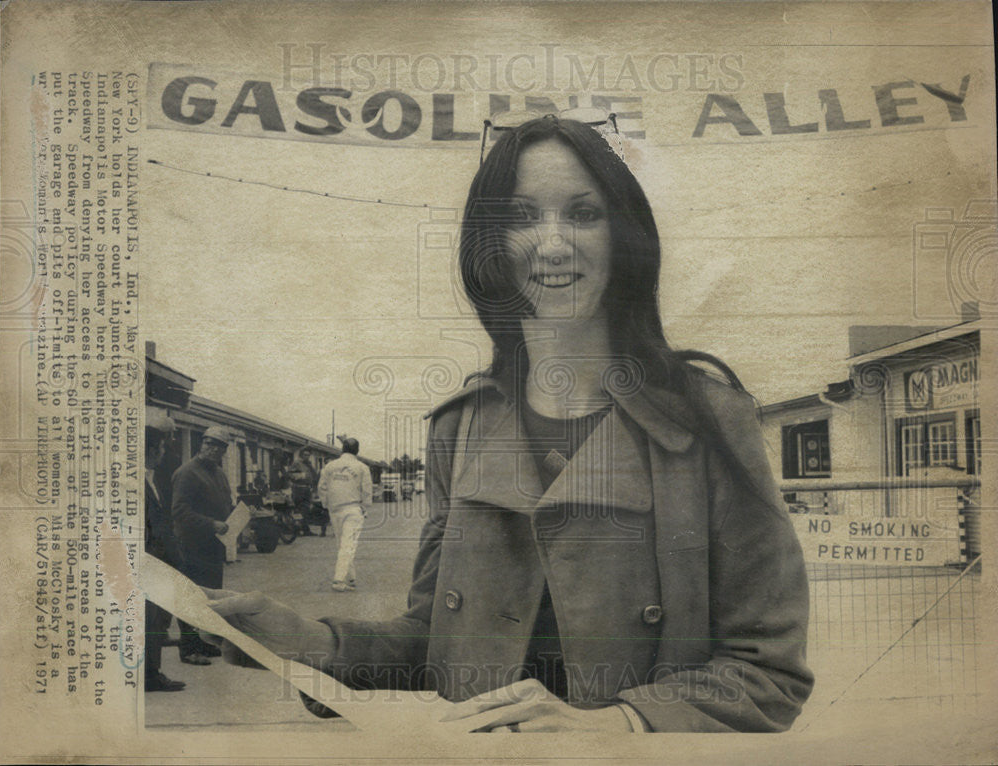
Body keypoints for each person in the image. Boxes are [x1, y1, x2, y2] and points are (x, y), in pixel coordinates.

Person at [205, 114, 813, 732]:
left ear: (623, 235)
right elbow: (438, 640)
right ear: (489, 247)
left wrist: (618, 726)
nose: (552, 245)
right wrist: (314, 643)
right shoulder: (459, 429)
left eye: (583, 213)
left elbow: (767, 672)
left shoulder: (710, 421)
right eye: (522, 218)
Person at [172, 426, 232, 665]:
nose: (211, 448)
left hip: (213, 547)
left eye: (217, 445)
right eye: (207, 443)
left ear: (224, 451)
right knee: (190, 597)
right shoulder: (187, 473)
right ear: (201, 444)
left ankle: (204, 644)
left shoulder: (218, 474)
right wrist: (212, 524)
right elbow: (179, 511)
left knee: (210, 597)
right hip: (191, 546)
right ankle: (188, 648)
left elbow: (225, 502)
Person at [144, 408, 185, 692]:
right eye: (159, 447)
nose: (162, 453)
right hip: (149, 561)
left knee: (153, 618)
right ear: (149, 449)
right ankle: (150, 674)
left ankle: (148, 671)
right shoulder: (140, 480)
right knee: (150, 617)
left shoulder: (149, 477)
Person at [316, 437, 372, 591]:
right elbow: (367, 490)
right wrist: (365, 506)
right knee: (348, 544)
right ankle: (338, 580)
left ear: (342, 450)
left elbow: (322, 487)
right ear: (357, 450)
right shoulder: (362, 467)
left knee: (342, 543)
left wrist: (326, 504)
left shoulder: (330, 466)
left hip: (335, 509)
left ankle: (351, 577)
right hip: (353, 508)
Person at [288, 446, 322, 536]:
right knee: (299, 510)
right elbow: (291, 475)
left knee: (306, 510)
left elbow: (314, 476)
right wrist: (302, 476)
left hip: (307, 489)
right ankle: (297, 529)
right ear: (301, 455)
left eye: (308, 455)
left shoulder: (309, 464)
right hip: (299, 488)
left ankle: (305, 529)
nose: (306, 456)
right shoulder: (297, 463)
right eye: (305, 455)